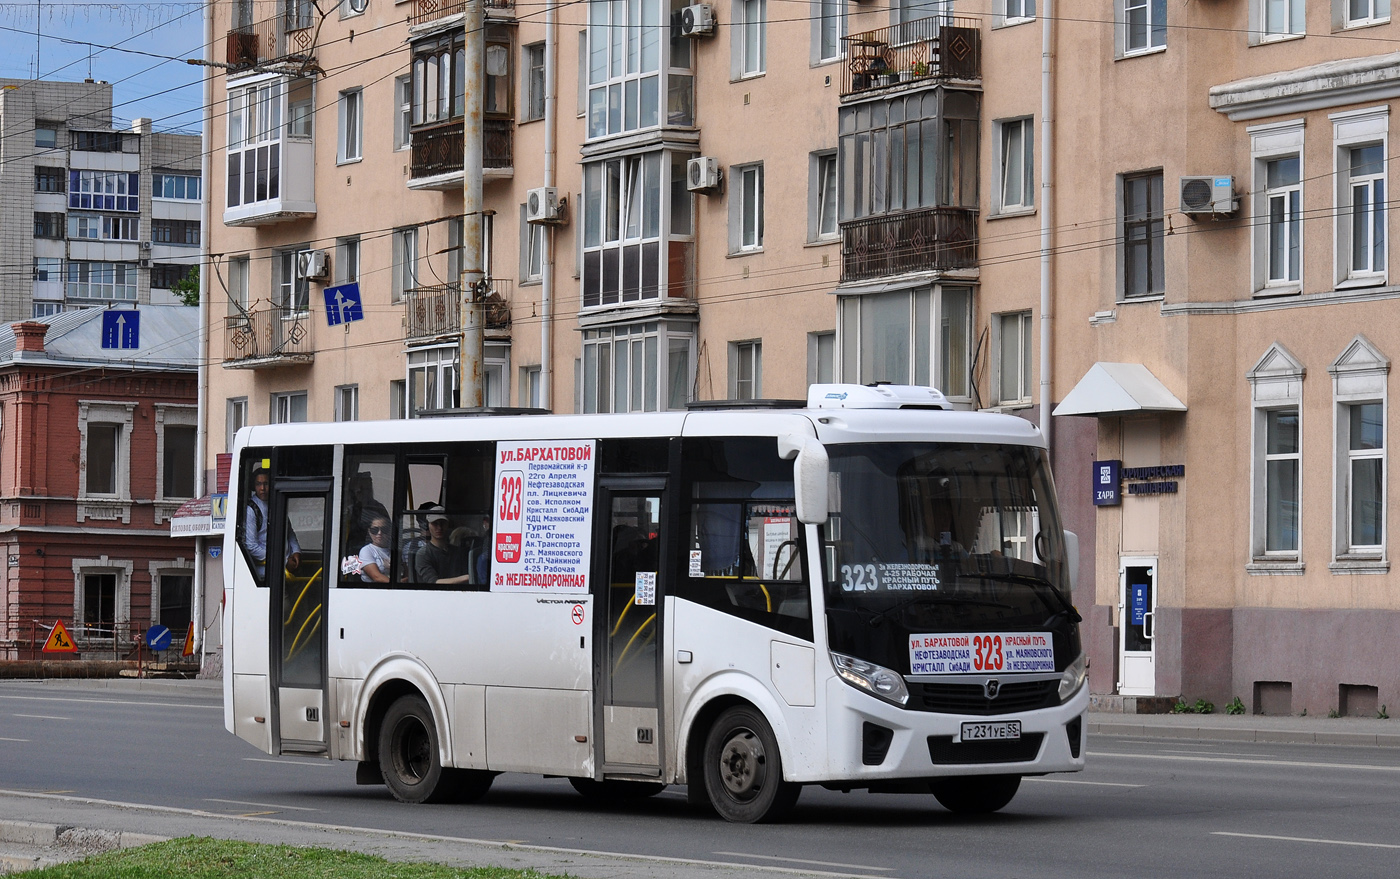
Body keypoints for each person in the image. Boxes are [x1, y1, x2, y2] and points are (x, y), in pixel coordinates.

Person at [243, 468, 300, 579]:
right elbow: (252, 546)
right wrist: (283, 562)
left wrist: (296, 551)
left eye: (266, 484)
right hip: (266, 574)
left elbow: (289, 532)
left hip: (286, 571)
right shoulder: (252, 510)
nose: (262, 488)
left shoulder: (277, 503)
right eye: (258, 484)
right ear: (254, 486)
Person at [413, 506, 472, 585]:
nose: (439, 527)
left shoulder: (458, 552)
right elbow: (434, 582)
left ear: (448, 524)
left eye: (442, 523)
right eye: (435, 523)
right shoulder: (423, 554)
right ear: (428, 525)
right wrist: (467, 577)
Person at [358, 516, 393, 583]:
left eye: (384, 529)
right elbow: (376, 577)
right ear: (369, 531)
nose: (379, 533)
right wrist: (399, 583)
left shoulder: (396, 550)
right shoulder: (366, 550)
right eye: (374, 530)